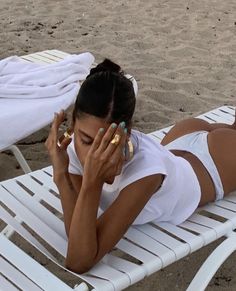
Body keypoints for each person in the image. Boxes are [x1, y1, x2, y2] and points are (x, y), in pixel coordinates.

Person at [45, 59, 236, 274]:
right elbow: (77, 236)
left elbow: (79, 261)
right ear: (72, 125)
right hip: (179, 141)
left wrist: (91, 180)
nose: (92, 155)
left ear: (127, 133)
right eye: (87, 140)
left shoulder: (146, 173)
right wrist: (61, 174)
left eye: (107, 142)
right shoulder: (71, 151)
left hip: (215, 164)